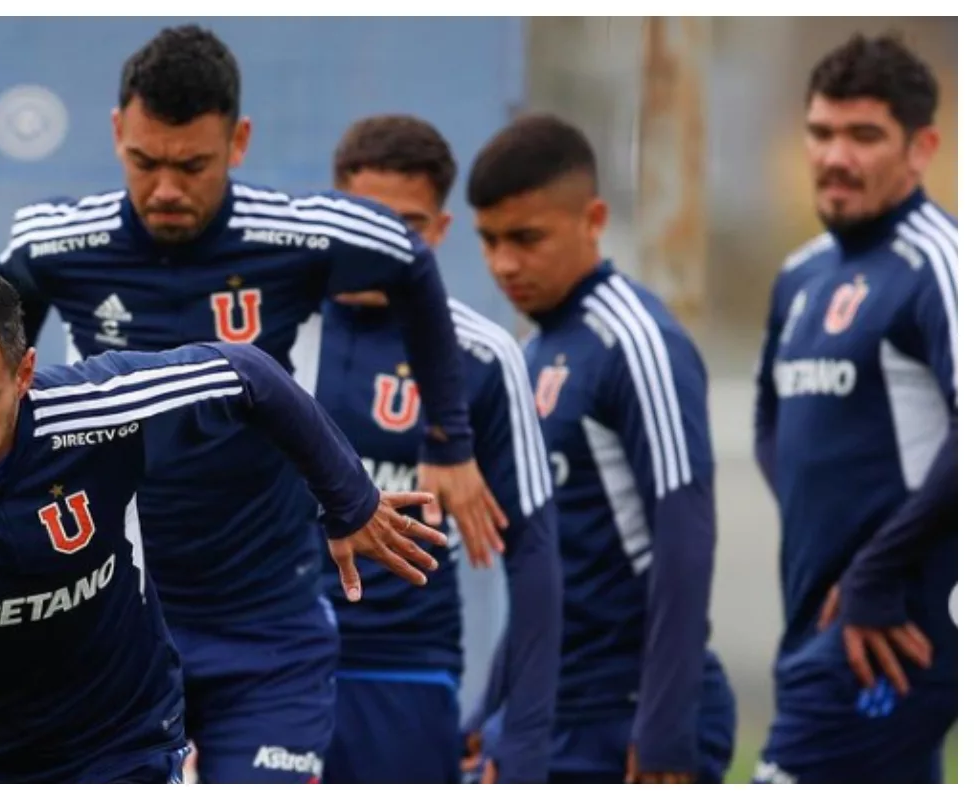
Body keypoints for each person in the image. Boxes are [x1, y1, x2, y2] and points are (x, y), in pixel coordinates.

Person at [0, 25, 507, 783]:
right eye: (144, 162)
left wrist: (449, 439)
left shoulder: (297, 233)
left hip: (270, 620)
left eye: (192, 165)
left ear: (238, 142)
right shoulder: (51, 243)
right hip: (121, 616)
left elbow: (410, 263)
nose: (165, 189)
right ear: (117, 132)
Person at [0, 264, 448, 784]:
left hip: (118, 745)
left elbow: (248, 372)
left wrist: (350, 501)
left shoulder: (99, 409)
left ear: (24, 374)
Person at [466, 113, 737, 783]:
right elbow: (541, 565)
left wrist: (665, 723)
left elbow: (684, 537)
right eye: (489, 240)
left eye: (526, 238)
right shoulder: (530, 354)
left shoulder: (637, 342)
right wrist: (492, 707)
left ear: (592, 220)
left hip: (629, 712)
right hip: (549, 710)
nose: (504, 264)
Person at [291, 115, 562, 784]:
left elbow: (534, 555)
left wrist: (524, 735)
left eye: (406, 228)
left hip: (403, 670)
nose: (382, 247)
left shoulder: (482, 355)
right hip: (267, 662)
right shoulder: (266, 335)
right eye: (365, 222)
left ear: (439, 231)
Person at [751, 33, 957, 784]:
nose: (836, 156)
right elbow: (770, 421)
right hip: (817, 613)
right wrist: (825, 527)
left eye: (864, 136)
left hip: (899, 622)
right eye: (821, 132)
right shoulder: (800, 276)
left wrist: (875, 567)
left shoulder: (940, 262)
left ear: (920, 147)